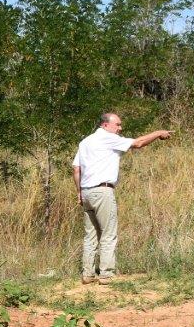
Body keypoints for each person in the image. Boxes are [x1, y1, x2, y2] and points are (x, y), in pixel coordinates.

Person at [72, 113, 172, 284]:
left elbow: (76, 169)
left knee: (90, 236)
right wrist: (158, 133)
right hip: (102, 191)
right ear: (105, 125)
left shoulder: (85, 142)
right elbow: (138, 143)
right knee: (108, 233)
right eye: (117, 124)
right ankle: (106, 274)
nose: (120, 128)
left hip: (87, 192)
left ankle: (87, 274)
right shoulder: (107, 138)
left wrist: (79, 192)